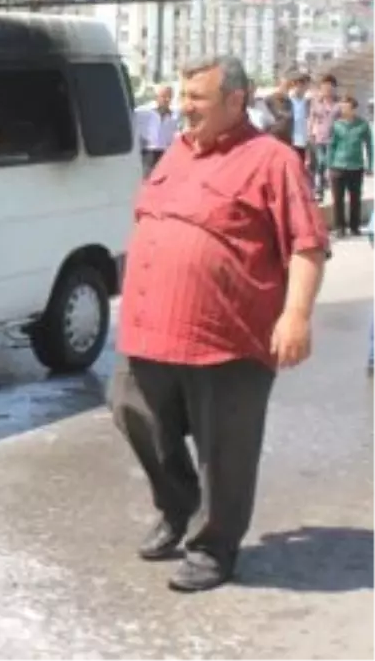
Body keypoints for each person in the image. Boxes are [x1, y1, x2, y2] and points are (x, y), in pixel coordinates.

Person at [111, 55, 328, 593]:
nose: (184, 108)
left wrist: (296, 315)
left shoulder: (272, 161)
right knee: (129, 407)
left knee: (224, 448)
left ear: (236, 101)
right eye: (182, 96)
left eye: (196, 99)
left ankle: (215, 545)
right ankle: (177, 505)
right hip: (151, 330)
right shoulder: (175, 154)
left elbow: (307, 246)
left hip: (228, 338)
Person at [326, 95, 372, 237]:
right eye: (342, 106)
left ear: (353, 109)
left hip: (356, 166)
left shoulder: (363, 125)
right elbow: (331, 146)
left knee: (355, 198)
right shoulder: (336, 125)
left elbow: (370, 146)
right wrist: (329, 165)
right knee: (338, 199)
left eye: (346, 107)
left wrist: (371, 165)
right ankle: (340, 227)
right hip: (338, 166)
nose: (343, 109)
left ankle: (354, 227)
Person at [308, 74, 341, 202]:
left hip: (336, 140)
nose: (327, 90)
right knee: (321, 163)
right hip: (320, 139)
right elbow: (311, 119)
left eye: (330, 87)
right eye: (325, 87)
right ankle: (319, 191)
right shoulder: (316, 103)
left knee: (333, 166)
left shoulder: (339, 103)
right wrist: (310, 133)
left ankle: (335, 191)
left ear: (334, 88)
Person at [137, 85, 179, 177]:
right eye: (164, 96)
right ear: (157, 97)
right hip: (148, 152)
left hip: (165, 153)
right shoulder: (143, 112)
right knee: (147, 180)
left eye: (169, 97)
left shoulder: (174, 116)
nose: (166, 99)